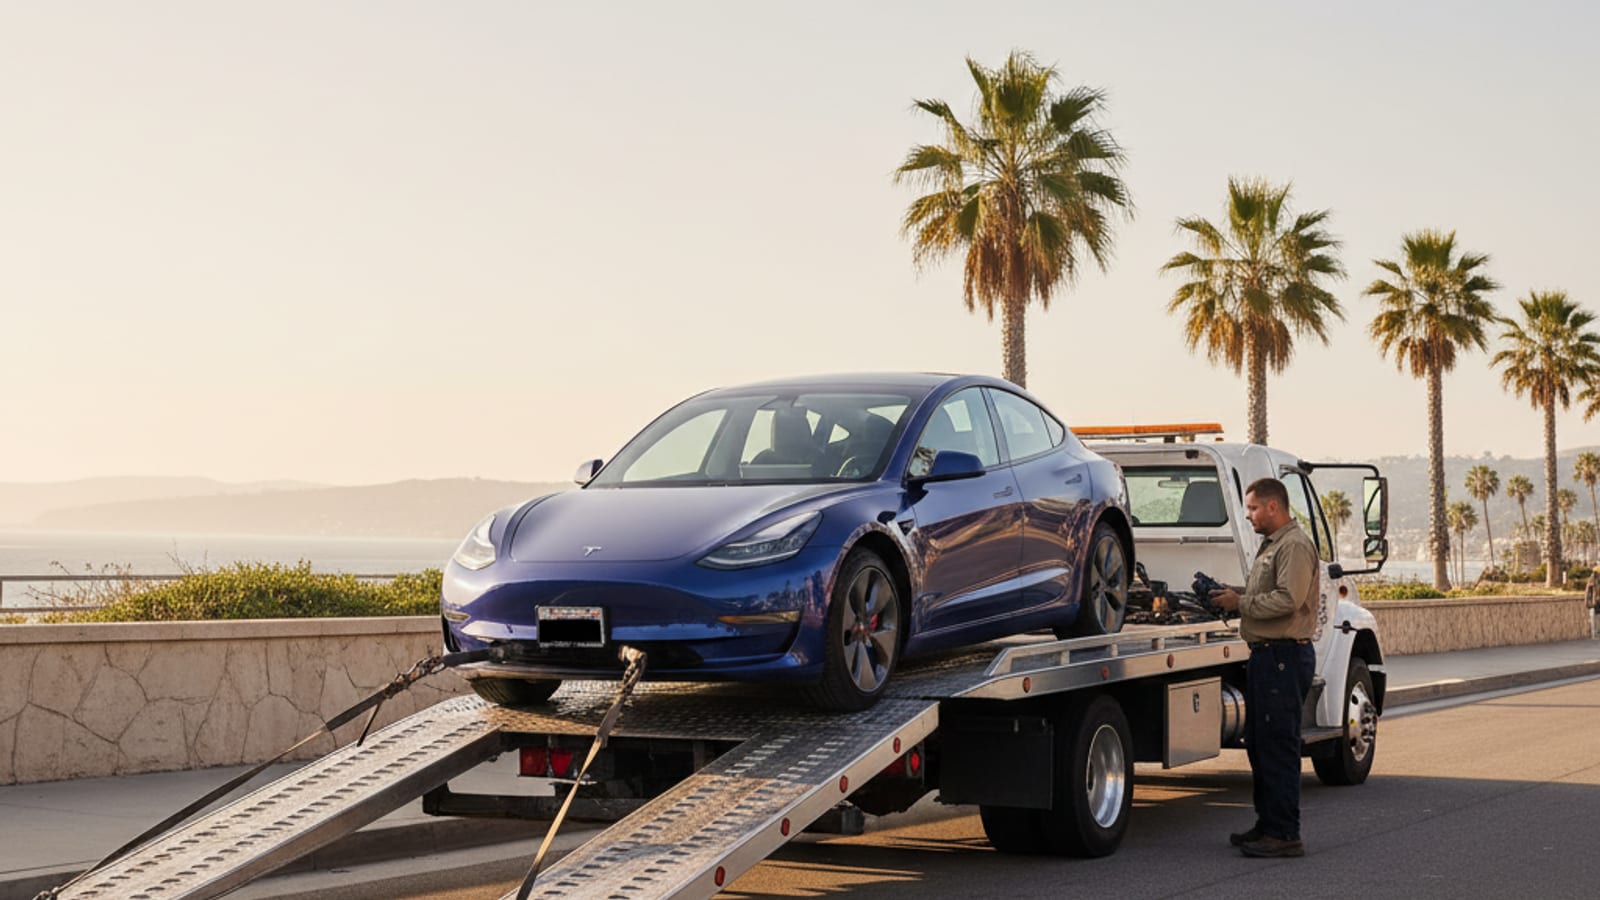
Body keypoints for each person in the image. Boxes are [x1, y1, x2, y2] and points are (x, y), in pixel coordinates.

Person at [1208, 477, 1319, 858]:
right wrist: (1234, 595)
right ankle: (1268, 824)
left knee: (1278, 748)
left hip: (1284, 658)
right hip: (1266, 657)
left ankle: (1286, 834)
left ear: (1274, 506)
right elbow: (1265, 594)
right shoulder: (1273, 546)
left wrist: (1239, 604)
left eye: (1253, 508)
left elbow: (1289, 599)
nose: (1249, 516)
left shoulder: (1295, 545)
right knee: (1260, 745)